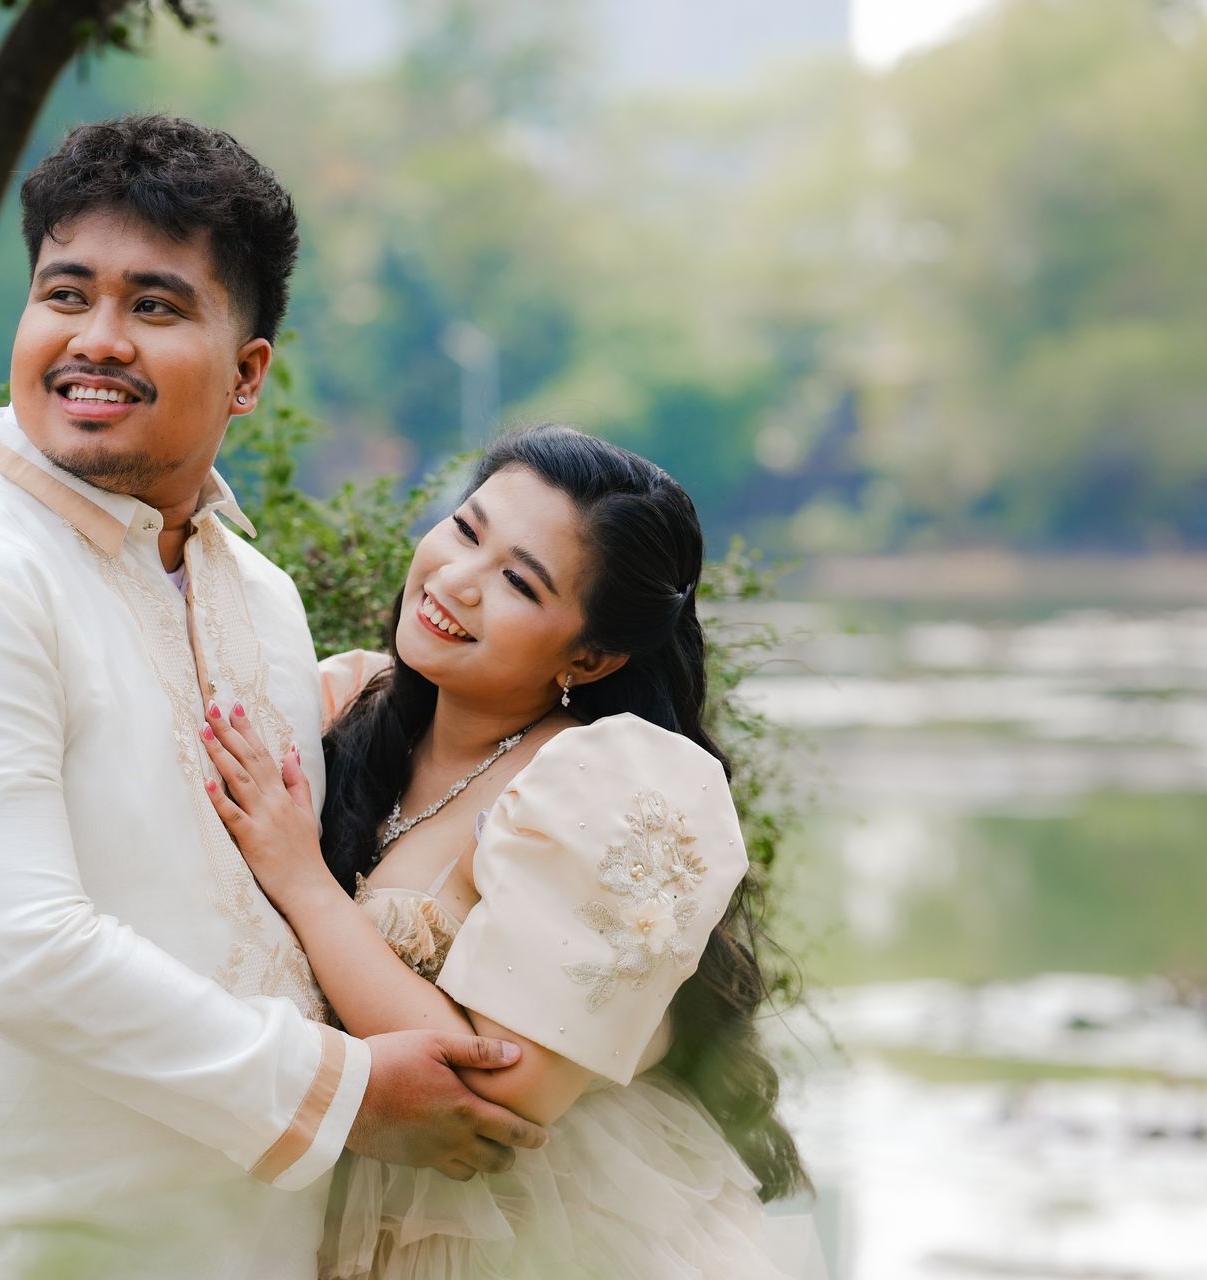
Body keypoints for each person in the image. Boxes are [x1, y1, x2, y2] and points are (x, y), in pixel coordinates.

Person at [0, 115, 547, 1280]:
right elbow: (21, 949)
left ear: (248, 373)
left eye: (154, 305)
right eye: (65, 294)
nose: (95, 340)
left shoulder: (260, 597)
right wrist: (347, 1091)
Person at [198, 426, 825, 1278]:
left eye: (519, 582)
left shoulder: (604, 785)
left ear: (590, 656)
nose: (458, 580)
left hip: (524, 1236)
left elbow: (500, 1090)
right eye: (465, 530)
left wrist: (303, 882)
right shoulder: (344, 702)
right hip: (316, 1209)